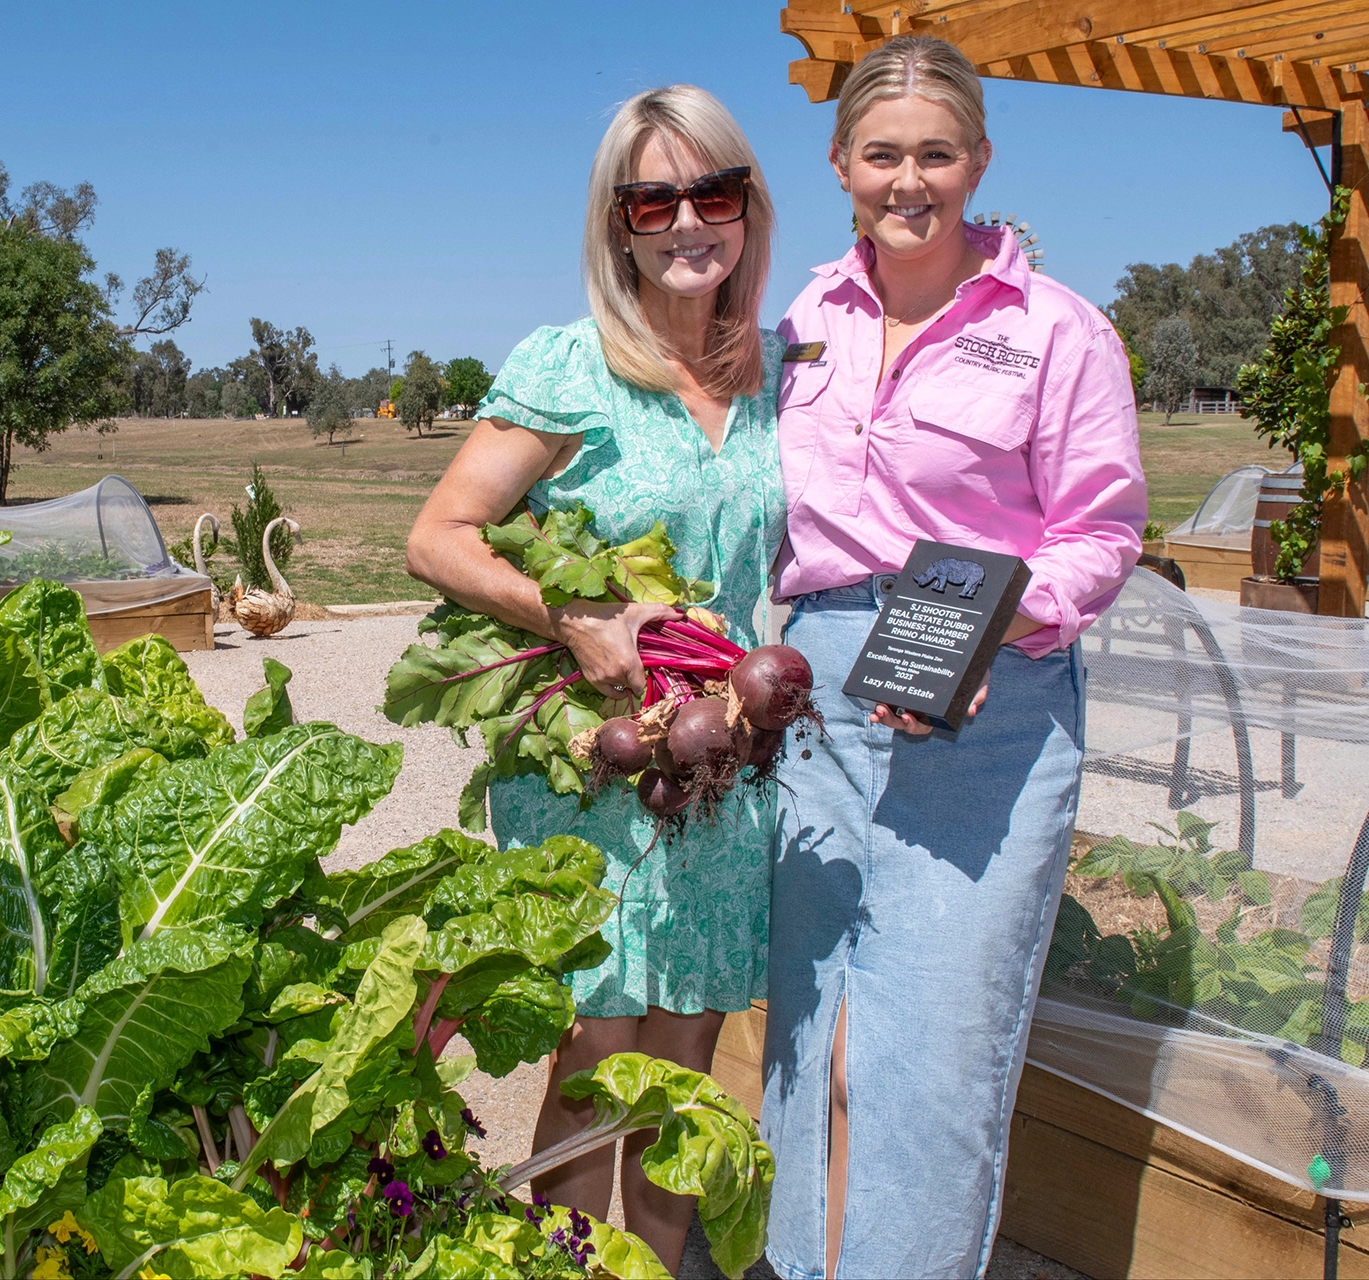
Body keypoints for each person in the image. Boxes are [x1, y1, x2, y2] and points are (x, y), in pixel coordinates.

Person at [762, 34, 1147, 1280]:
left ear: (979, 160)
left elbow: (1100, 531)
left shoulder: (1059, 331)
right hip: (817, 697)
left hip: (991, 703)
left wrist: (1000, 624)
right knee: (810, 1030)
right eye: (883, 153)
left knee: (930, 1053)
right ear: (839, 164)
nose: (908, 180)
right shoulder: (804, 320)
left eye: (937, 152)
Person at [404, 84, 782, 1271]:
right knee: (592, 1055)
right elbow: (440, 535)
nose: (685, 222)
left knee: (681, 1072)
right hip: (597, 765)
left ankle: (659, 1265)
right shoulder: (570, 364)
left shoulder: (774, 370)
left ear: (746, 207)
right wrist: (572, 614)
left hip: (720, 761)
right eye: (653, 198)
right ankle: (561, 1259)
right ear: (618, 222)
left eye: (709, 192)